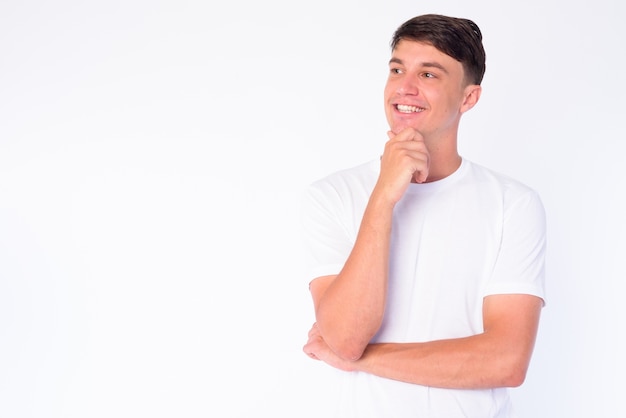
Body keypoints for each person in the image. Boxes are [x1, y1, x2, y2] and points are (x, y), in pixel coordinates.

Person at [301, 14, 546, 418]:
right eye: (397, 69)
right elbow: (345, 337)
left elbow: (506, 361)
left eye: (429, 74)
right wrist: (383, 197)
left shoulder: (513, 204)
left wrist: (362, 359)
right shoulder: (330, 196)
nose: (405, 87)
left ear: (468, 98)